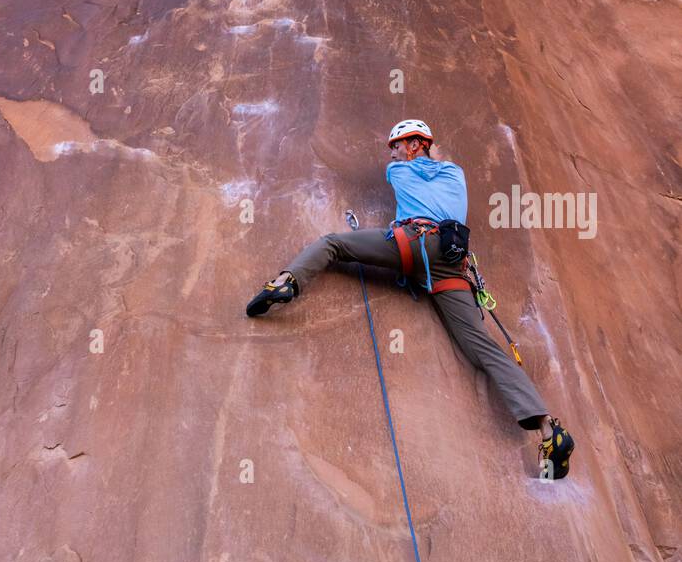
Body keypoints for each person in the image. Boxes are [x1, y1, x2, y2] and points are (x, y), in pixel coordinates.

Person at [246, 118, 575, 479]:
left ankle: (285, 282)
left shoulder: (397, 173)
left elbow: (406, 172)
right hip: (451, 264)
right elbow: (439, 169)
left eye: (398, 145)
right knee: (482, 348)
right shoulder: (455, 174)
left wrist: (407, 157)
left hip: (412, 244)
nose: (393, 152)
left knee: (333, 244)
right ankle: (547, 430)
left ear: (415, 145)